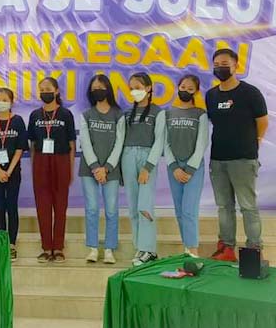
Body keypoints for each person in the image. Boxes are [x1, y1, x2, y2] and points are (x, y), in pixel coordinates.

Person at [206, 49, 268, 262]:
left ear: (236, 66)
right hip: (218, 159)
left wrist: (256, 141)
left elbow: (263, 121)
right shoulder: (211, 95)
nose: (219, 68)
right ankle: (227, 248)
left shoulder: (250, 92)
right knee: (224, 207)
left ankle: (254, 250)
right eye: (216, 64)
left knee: (248, 206)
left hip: (243, 159)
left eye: (224, 64)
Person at [28, 77, 76, 264]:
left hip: (61, 160)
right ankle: (46, 247)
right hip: (41, 161)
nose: (44, 93)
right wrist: (34, 167)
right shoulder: (35, 115)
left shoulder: (65, 114)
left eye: (48, 89)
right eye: (41, 90)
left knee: (60, 207)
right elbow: (32, 145)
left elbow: (71, 144)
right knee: (43, 206)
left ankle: (59, 247)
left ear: (56, 91)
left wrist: (70, 169)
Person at [78, 74, 125, 265]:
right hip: (89, 169)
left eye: (101, 87)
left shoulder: (118, 115)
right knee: (91, 209)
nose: (98, 91)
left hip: (111, 170)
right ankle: (92, 248)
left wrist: (107, 168)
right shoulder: (86, 115)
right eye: (94, 88)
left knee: (112, 210)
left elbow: (119, 143)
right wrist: (96, 167)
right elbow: (85, 142)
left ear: (108, 89)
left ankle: (109, 249)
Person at [121, 72, 165, 266]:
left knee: (144, 205)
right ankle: (139, 246)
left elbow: (159, 141)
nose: (134, 91)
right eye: (131, 88)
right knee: (132, 206)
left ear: (148, 88)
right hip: (128, 156)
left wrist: (148, 167)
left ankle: (149, 249)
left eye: (138, 87)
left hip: (147, 157)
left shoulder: (158, 112)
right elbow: (120, 140)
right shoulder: (126, 114)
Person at [164, 75, 209, 259]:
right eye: (183, 87)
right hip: (174, 168)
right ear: (178, 87)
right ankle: (187, 248)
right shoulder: (168, 113)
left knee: (189, 210)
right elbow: (165, 143)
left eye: (190, 89)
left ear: (196, 92)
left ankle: (193, 250)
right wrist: (174, 166)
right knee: (179, 210)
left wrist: (190, 169)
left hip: (194, 168)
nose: (185, 91)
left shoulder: (200, 114)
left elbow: (202, 143)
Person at [0, 88, 28, 262]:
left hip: (13, 171)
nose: (1, 102)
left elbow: (20, 148)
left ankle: (11, 244)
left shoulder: (17, 121)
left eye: (5, 99)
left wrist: (9, 171)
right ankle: (1, 242)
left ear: (11, 102)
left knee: (11, 206)